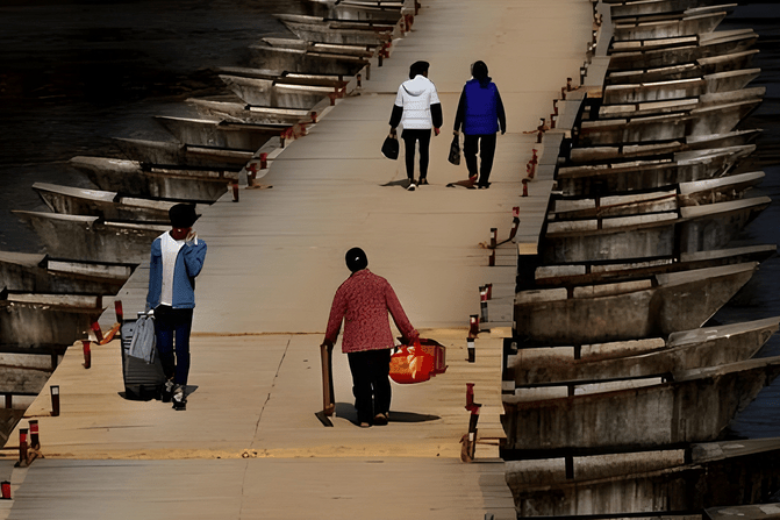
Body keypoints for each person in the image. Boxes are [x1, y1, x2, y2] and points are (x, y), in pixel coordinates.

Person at [322, 248, 419, 427]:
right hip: (381, 341)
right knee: (381, 378)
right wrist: (409, 334)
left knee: (361, 380)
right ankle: (381, 411)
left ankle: (365, 417)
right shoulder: (382, 284)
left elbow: (335, 318)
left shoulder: (344, 288)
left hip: (356, 344)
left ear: (348, 265)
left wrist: (329, 339)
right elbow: (397, 311)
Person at [145, 203, 207, 411]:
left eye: (185, 227)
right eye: (177, 226)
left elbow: (194, 270)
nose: (180, 231)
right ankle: (170, 377)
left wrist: (189, 247)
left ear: (190, 227)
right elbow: (153, 275)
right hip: (161, 305)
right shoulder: (158, 243)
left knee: (181, 348)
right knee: (163, 348)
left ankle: (180, 385)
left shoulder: (198, 245)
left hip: (183, 306)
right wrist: (150, 303)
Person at [389, 60, 443, 191]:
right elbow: (435, 107)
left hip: (409, 125)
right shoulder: (430, 86)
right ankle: (423, 177)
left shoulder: (403, 86)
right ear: (424, 72)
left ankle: (410, 178)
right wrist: (437, 124)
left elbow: (398, 109)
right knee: (424, 151)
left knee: (409, 152)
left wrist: (393, 126)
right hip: (424, 124)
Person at [453, 61, 507, 189]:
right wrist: (503, 124)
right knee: (487, 154)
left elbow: (461, 108)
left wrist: (456, 127)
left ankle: (473, 171)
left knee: (469, 151)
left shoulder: (468, 87)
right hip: (489, 126)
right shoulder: (492, 87)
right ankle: (483, 180)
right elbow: (499, 107)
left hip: (470, 126)